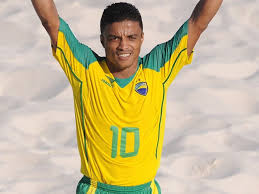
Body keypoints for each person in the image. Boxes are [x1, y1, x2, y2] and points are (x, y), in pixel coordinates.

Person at [31, 0, 223, 193]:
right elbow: (51, 22)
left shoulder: (157, 68)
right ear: (102, 40)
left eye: (131, 37)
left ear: (142, 38)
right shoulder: (87, 70)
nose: (124, 45)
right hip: (98, 189)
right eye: (115, 38)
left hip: (145, 189)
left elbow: (198, 23)